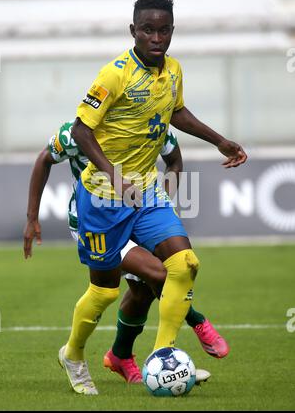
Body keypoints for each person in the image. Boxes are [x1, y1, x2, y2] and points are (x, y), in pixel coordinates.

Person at [57, 0, 247, 395]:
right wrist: (113, 175)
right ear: (134, 31)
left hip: (143, 192)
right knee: (105, 290)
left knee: (185, 263)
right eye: (148, 29)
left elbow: (177, 112)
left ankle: (164, 357)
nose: (156, 37)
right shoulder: (114, 74)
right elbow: (80, 130)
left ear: (172, 31)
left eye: (164, 30)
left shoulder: (173, 70)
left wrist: (220, 141)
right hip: (103, 197)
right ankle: (73, 353)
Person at [24, 120, 228, 387]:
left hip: (137, 213)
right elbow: (44, 159)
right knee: (152, 276)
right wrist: (31, 218)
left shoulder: (152, 122)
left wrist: (158, 204)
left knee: (143, 290)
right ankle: (195, 322)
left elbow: (175, 163)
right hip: (95, 220)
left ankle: (121, 356)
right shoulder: (76, 134)